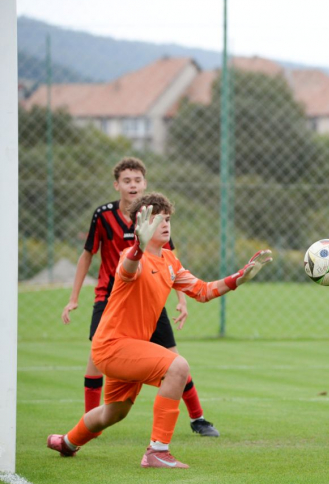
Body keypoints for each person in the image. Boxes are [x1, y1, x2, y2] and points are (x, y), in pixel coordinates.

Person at [48, 194, 272, 468]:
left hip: (129, 349)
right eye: (157, 219)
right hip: (111, 346)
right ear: (141, 225)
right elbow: (128, 270)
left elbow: (202, 291)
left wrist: (239, 277)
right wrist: (138, 247)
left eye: (167, 218)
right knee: (178, 367)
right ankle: (157, 451)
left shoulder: (169, 260)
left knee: (114, 413)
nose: (166, 224)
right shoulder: (130, 257)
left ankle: (67, 442)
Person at [61, 157, 219, 437]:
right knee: (96, 357)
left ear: (144, 183)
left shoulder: (157, 216)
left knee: (174, 359)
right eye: (127, 180)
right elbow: (88, 253)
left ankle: (198, 418)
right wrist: (74, 297)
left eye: (137, 180)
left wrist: (181, 300)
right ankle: (90, 424)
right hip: (110, 299)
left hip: (149, 298)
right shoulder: (103, 215)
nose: (132, 185)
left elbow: (171, 264)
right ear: (117, 185)